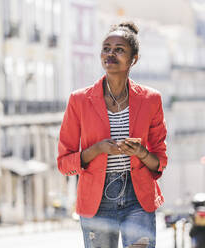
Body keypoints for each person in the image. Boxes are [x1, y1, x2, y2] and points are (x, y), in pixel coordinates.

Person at [57, 21, 167, 248]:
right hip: (96, 202)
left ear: (133, 59)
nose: (110, 54)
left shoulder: (151, 99)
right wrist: (96, 150)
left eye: (119, 49)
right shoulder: (79, 100)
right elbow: (64, 163)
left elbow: (159, 162)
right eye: (106, 48)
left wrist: (140, 152)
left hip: (138, 198)